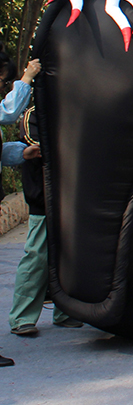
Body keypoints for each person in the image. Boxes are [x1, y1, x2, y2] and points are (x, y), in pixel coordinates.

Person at [9, 108, 82, 336]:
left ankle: (66, 311)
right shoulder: (34, 113)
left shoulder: (69, 107)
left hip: (69, 197)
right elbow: (38, 146)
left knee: (69, 257)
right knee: (37, 257)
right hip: (43, 198)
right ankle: (21, 316)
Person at [0, 49, 42, 366]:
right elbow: (8, 112)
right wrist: (26, 79)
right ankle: (23, 316)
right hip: (40, 194)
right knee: (37, 251)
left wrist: (19, 153)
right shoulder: (29, 111)